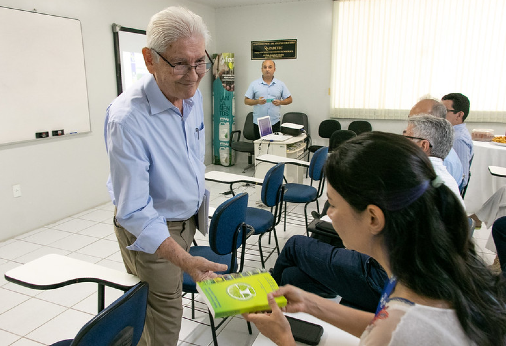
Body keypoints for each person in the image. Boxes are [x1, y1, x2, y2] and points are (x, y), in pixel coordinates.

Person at [244, 132, 506, 346]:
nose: (330, 215)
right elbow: (382, 324)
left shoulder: (404, 328)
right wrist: (312, 304)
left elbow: (391, 333)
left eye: (333, 205)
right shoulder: (428, 270)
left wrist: (284, 339)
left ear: (373, 218)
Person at [104, 7, 227, 346]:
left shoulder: (191, 93)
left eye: (200, 61)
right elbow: (134, 211)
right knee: (165, 320)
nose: (193, 74)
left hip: (186, 220)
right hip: (154, 227)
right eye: (179, 63)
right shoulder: (127, 120)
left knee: (160, 304)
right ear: (149, 59)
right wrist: (184, 260)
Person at [403, 114, 465, 207]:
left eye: (407, 138)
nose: (402, 142)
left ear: (424, 145)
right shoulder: (444, 176)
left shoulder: (419, 177)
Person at [409, 98, 463, 186]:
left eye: (419, 120)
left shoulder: (441, 162)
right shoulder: (439, 148)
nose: (410, 124)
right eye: (410, 118)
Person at [244, 59, 292, 135]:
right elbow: (246, 101)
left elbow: (289, 99)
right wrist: (257, 101)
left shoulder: (280, 84)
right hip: (259, 123)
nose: (267, 70)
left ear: (274, 69)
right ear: (261, 69)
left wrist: (281, 102)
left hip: (274, 121)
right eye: (265, 67)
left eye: (270, 67)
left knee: (274, 146)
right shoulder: (254, 84)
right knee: (260, 146)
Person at [442, 93, 473, 190]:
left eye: (444, 111)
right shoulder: (450, 132)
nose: (439, 114)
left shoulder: (458, 139)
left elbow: (462, 178)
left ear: (459, 115)